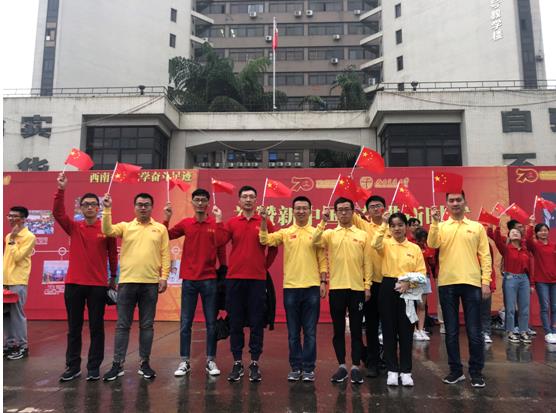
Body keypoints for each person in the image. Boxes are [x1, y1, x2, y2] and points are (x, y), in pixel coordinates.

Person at [53, 173, 118, 381]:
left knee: (96, 328)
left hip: (97, 286)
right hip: (74, 284)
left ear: (98, 208)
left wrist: (113, 277)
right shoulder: (74, 227)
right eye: (86, 204)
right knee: (74, 328)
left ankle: (93, 367)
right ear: (81, 208)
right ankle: (73, 367)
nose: (90, 207)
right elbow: (57, 213)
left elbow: (113, 254)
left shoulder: (106, 228)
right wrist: (61, 189)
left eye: (93, 204)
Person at [101, 193, 170, 381]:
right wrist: (107, 208)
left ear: (152, 207)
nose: (143, 208)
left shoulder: (160, 229)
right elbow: (107, 230)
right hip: (127, 283)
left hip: (150, 284)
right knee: (122, 325)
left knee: (147, 326)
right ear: (134, 207)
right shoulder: (125, 227)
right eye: (139, 204)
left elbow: (165, 254)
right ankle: (117, 364)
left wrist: (164, 277)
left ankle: (144, 363)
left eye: (146, 205)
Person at [259, 196, 327, 382]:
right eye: (298, 208)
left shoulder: (316, 232)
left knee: (310, 332)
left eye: (304, 208)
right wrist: (264, 220)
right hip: (291, 288)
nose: (301, 211)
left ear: (310, 211)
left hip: (312, 287)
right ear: (292, 211)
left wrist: (323, 282)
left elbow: (322, 259)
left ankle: (309, 368)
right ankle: (296, 367)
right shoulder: (286, 232)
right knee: (293, 332)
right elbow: (265, 240)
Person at [428, 191, 491, 388]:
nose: (455, 203)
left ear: (465, 202)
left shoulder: (476, 227)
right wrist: (434, 222)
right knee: (451, 331)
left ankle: (476, 372)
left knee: (474, 331)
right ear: (446, 204)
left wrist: (486, 281)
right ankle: (455, 371)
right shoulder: (441, 226)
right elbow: (432, 244)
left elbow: (485, 255)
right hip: (447, 283)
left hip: (472, 283)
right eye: (451, 200)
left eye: (458, 200)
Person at [163, 188, 227, 377]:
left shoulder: (214, 223)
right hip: (189, 279)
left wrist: (224, 268)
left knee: (211, 323)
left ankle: (210, 360)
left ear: (208, 203)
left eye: (203, 200)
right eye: (197, 200)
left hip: (209, 279)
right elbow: (166, 235)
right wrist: (166, 218)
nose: (200, 203)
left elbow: (222, 244)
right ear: (192, 203)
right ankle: (184, 361)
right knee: (186, 323)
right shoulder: (186, 223)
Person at [218, 185, 278, 383]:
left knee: (256, 322)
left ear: (256, 200)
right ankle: (237, 362)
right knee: (235, 322)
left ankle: (254, 362)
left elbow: (274, 247)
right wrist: (218, 221)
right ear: (239, 201)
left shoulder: (265, 222)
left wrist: (263, 266)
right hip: (234, 279)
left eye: (252, 196)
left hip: (257, 281)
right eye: (245, 196)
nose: (248, 200)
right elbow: (220, 241)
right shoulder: (232, 222)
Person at [313, 197, 372, 384]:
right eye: (340, 210)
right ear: (336, 213)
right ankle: (341, 366)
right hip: (337, 288)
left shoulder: (362, 235)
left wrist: (367, 286)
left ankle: (355, 366)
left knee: (356, 330)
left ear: (353, 212)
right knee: (338, 330)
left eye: (347, 209)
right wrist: (323, 221)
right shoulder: (330, 234)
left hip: (357, 289)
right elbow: (315, 241)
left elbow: (367, 262)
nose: (344, 213)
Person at [372, 211, 426, 386]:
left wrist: (408, 284)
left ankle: (406, 371)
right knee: (388, 330)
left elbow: (422, 273)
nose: (397, 229)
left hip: (408, 290)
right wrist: (383, 223)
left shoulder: (414, 248)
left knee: (406, 331)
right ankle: (392, 370)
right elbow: (374, 243)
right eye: (393, 226)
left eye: (400, 225)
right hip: (388, 287)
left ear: (406, 227)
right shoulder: (385, 244)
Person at [352, 195, 387, 378]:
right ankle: (372, 362)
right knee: (372, 325)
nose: (375, 209)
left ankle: (389, 360)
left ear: (384, 208)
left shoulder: (392, 226)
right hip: (370, 282)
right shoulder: (364, 225)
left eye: (378, 206)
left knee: (390, 324)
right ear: (367, 210)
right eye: (372, 206)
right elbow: (347, 212)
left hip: (389, 281)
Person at [3, 206, 36, 360]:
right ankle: (9, 345)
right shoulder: (9, 235)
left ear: (23, 219)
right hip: (5, 281)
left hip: (18, 280)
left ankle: (23, 346)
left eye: (15, 216)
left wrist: (12, 240)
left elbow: (17, 257)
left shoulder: (29, 237)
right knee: (5, 314)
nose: (11, 219)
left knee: (17, 314)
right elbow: (7, 259)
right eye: (9, 216)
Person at [492, 224, 532, 344]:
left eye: (517, 232)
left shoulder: (525, 250)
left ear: (521, 236)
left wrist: (531, 284)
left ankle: (523, 331)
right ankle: (510, 331)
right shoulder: (506, 249)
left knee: (524, 308)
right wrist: (496, 226)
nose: (515, 233)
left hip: (524, 279)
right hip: (510, 279)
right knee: (510, 308)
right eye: (512, 232)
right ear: (509, 236)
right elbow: (497, 240)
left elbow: (530, 267)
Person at [525, 216, 556, 344]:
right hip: (541, 281)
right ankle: (548, 332)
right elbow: (527, 240)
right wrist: (531, 225)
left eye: (545, 230)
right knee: (545, 307)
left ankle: (554, 331)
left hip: (554, 281)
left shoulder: (553, 245)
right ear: (537, 233)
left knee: (554, 307)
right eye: (541, 231)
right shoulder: (535, 245)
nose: (543, 232)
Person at [412, 228, 435, 341]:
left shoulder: (427, 248)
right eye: (420, 240)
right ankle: (414, 330)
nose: (422, 242)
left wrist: (430, 256)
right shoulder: (412, 248)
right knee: (412, 306)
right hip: (413, 278)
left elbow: (432, 262)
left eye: (424, 240)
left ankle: (421, 329)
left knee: (421, 305)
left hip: (425, 277)